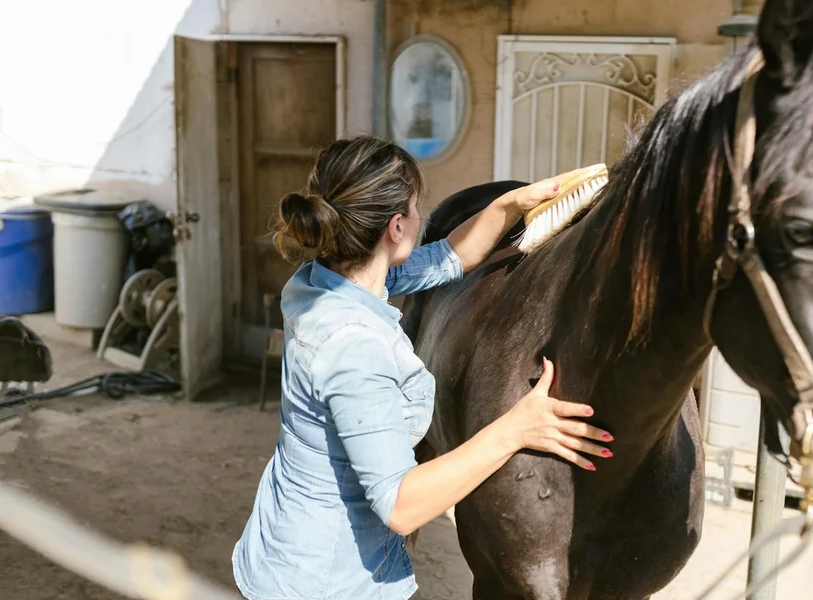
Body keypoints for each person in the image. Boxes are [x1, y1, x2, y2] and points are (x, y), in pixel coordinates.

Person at [232, 135, 613, 600]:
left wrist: (510, 204)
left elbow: (449, 258)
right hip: (325, 581)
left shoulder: (324, 278)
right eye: (416, 210)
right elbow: (401, 505)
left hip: (287, 543)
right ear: (395, 227)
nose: (421, 219)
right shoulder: (354, 346)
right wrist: (516, 429)